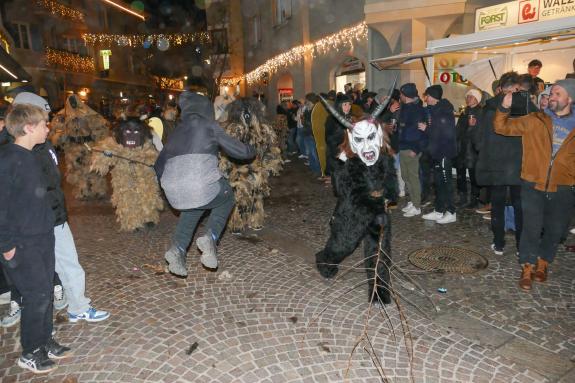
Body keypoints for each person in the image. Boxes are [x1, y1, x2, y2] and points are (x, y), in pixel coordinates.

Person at [12, 92, 110, 324]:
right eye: (43, 120)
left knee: (66, 263)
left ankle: (76, 306)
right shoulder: (17, 151)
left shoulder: (41, 143)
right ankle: (47, 326)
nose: (47, 126)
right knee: (48, 271)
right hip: (38, 221)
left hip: (54, 214)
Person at [0, 103, 71, 374]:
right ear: (29, 127)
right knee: (35, 295)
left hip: (42, 237)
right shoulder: (7, 159)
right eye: (44, 124)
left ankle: (45, 341)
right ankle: (30, 352)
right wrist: (6, 246)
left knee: (46, 294)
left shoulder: (32, 154)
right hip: (21, 243)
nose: (48, 127)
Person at [155, 91, 255, 276]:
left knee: (194, 207)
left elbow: (158, 165)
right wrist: (251, 149)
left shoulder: (177, 131)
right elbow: (239, 151)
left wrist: (172, 184)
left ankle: (177, 250)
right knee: (226, 197)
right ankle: (211, 237)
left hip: (173, 189)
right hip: (198, 184)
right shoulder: (208, 125)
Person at [494, 79, 575, 290]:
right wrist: (505, 106)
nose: (551, 97)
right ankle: (527, 266)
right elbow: (501, 126)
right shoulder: (535, 119)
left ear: (570, 98)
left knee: (555, 230)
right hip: (533, 183)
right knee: (531, 227)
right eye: (550, 94)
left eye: (557, 94)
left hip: (564, 187)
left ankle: (543, 262)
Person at [476, 72, 524, 256]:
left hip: (497, 165)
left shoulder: (489, 108)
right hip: (517, 165)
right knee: (519, 206)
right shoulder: (523, 108)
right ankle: (521, 246)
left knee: (498, 205)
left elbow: (479, 140)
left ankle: (498, 243)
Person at [419, 85, 457, 224]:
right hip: (437, 152)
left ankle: (452, 212)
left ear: (433, 97)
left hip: (444, 153)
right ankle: (439, 210)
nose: (425, 98)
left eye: (427, 96)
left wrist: (426, 129)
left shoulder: (444, 111)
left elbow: (444, 133)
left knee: (446, 183)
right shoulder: (435, 110)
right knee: (439, 183)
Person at [397, 83, 427, 218]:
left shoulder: (417, 110)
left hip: (411, 148)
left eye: (401, 94)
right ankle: (412, 201)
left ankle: (417, 206)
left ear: (406, 95)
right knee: (405, 176)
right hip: (403, 146)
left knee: (413, 177)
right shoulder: (405, 107)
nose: (400, 96)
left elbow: (421, 132)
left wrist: (416, 148)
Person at [455, 89, 483, 208]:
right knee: (460, 174)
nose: (468, 99)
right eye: (467, 97)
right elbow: (458, 130)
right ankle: (462, 197)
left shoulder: (481, 112)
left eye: (471, 97)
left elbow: (479, 133)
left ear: (477, 99)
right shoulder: (464, 112)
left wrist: (471, 127)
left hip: (472, 149)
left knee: (473, 176)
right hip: (461, 148)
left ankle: (474, 199)